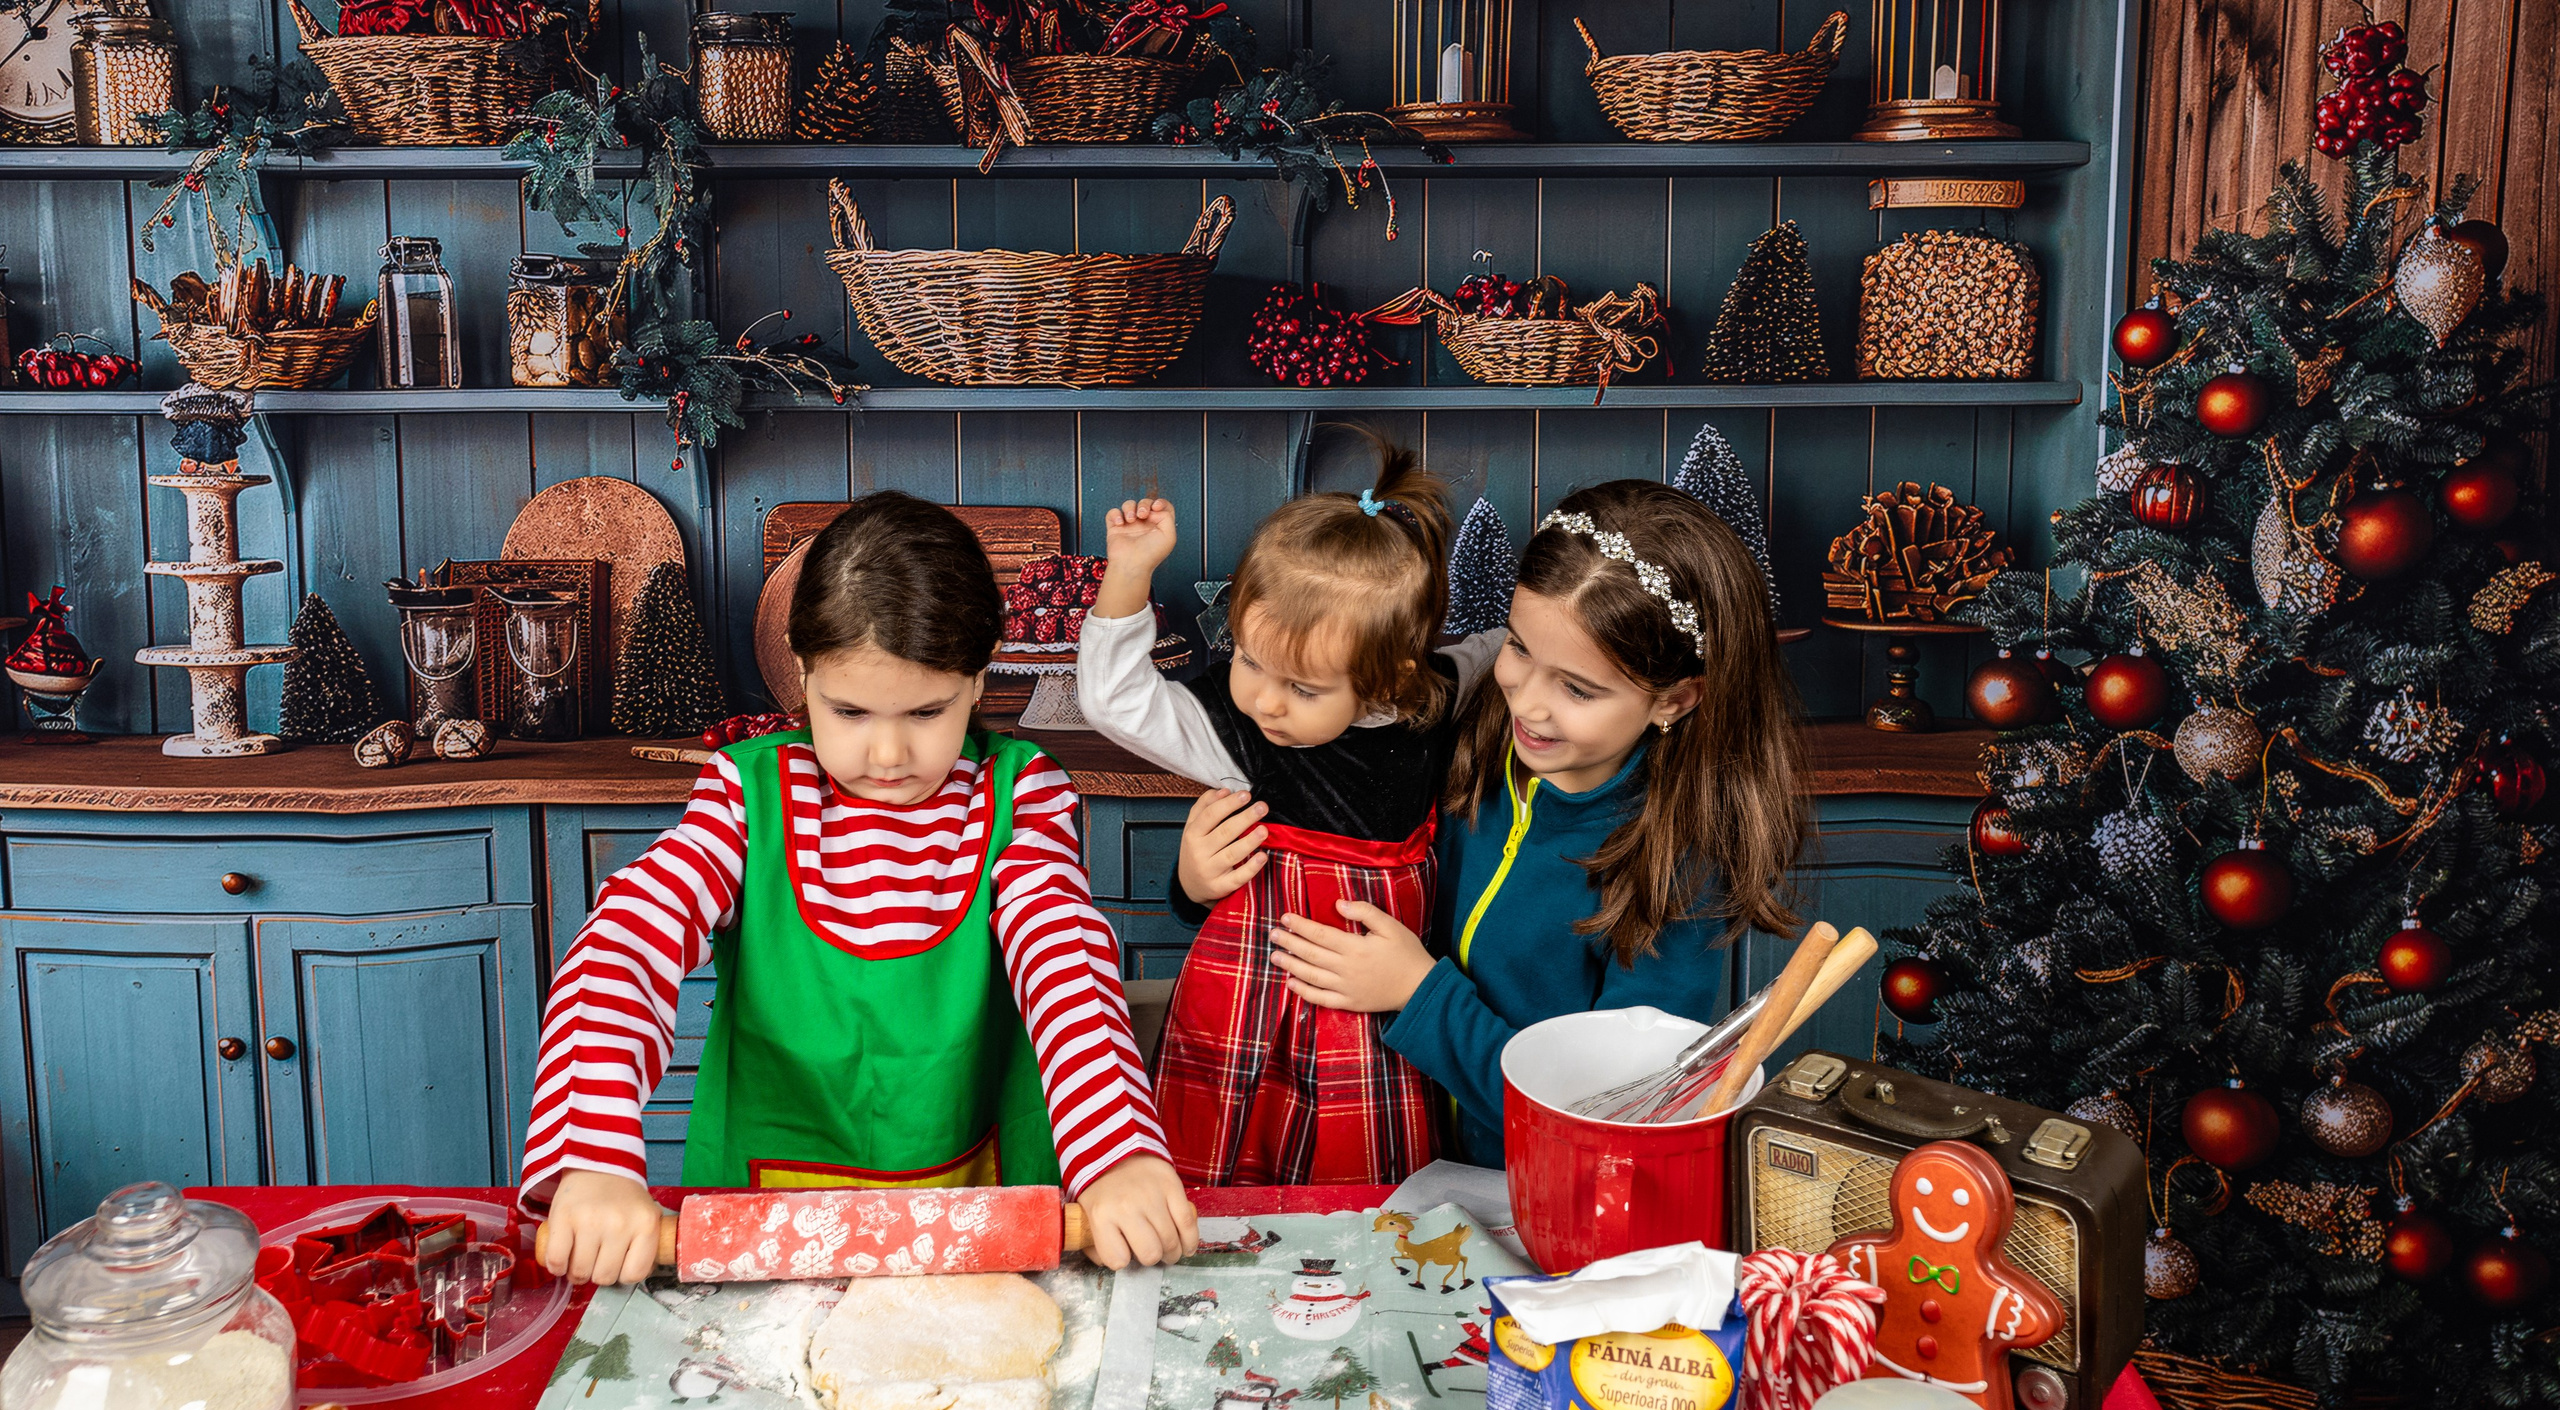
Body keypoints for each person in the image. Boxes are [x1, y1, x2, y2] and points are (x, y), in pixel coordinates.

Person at [525, 492, 1197, 1281]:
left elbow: (1067, 967)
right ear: (802, 673)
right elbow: (625, 940)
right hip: (764, 1232)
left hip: (979, 1235)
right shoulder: (746, 799)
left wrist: (1118, 1154)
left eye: (925, 710)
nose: (886, 751)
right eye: (847, 710)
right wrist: (591, 1159)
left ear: (979, 679)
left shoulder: (1024, 798)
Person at [1258, 479, 1807, 1163]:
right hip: (1386, 1153)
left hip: (1533, 1198)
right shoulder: (1463, 741)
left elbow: (1607, 1119)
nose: (1529, 704)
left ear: (1675, 699)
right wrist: (1197, 883)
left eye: (1578, 688)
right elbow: (1320, 859)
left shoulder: (1676, 867)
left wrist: (1418, 993)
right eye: (1518, 649)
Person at [1077, 438, 1501, 1186]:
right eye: (1246, 658)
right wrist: (1130, 573)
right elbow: (1114, 699)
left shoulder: (1431, 696)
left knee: (1364, 1186)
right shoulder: (1237, 731)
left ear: (1387, 679)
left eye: (1304, 689)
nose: (1266, 700)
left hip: (1368, 1011)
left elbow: (1497, 651)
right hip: (1249, 1006)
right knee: (1225, 1171)